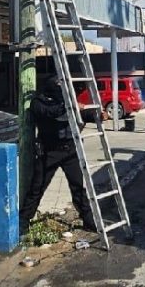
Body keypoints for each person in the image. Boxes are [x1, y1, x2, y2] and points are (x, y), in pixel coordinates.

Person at [19, 75, 96, 233]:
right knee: (37, 188)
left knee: (78, 187)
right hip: (49, 152)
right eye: (59, 87)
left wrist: (96, 115)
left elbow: (80, 115)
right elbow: (51, 112)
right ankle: (23, 223)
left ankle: (89, 221)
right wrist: (71, 106)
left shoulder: (66, 101)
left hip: (70, 150)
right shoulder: (38, 103)